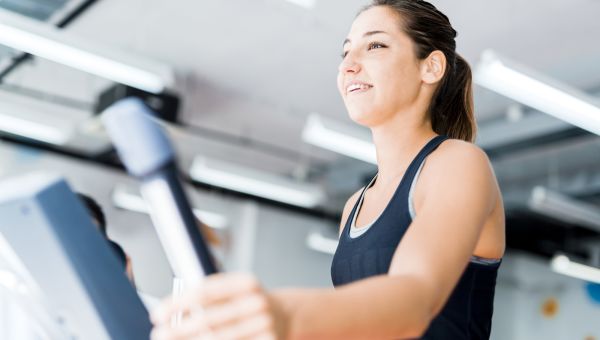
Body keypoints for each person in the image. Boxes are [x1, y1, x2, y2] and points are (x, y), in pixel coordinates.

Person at [151, 0, 506, 339]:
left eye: (376, 46)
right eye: (345, 51)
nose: (348, 64)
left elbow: (415, 299)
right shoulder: (355, 206)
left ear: (431, 67)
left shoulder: (458, 162)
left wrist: (285, 315)